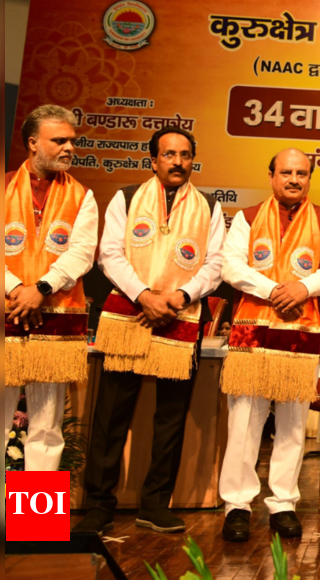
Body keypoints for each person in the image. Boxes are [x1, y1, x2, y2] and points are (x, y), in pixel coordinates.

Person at [75, 127, 224, 536]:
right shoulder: (126, 197)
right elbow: (109, 254)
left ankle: (155, 504)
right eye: (169, 154)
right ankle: (98, 505)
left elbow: (215, 264)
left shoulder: (209, 206)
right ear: (153, 160)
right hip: (129, 315)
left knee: (170, 418)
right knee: (110, 416)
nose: (177, 161)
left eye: (185, 155)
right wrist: (144, 296)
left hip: (179, 318)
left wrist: (179, 296)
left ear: (193, 160)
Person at [218, 149, 320, 542]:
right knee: (243, 422)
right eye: (286, 172)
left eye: (301, 173)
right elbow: (231, 265)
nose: (294, 179)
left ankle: (283, 503)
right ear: (272, 176)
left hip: (299, 334)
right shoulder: (248, 217)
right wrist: (275, 290)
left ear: (309, 178)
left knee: (293, 424)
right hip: (253, 333)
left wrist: (303, 288)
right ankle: (237, 506)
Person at [5, 105, 98, 473]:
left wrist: (40, 288)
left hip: (55, 317)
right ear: (33, 143)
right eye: (59, 140)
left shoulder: (82, 195)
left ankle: (35, 511)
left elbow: (82, 253)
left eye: (71, 141)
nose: (69, 148)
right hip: (4, 310)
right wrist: (16, 290)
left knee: (47, 429)